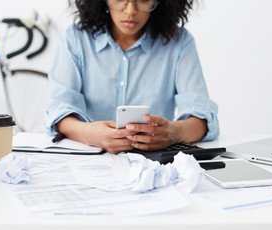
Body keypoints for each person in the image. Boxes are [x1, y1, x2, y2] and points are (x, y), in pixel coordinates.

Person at [45, 0, 219, 154]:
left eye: (143, 0)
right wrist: (90, 134)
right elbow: (58, 111)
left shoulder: (179, 42)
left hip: (153, 168)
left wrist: (172, 133)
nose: (130, 11)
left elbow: (203, 119)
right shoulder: (74, 39)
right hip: (90, 166)